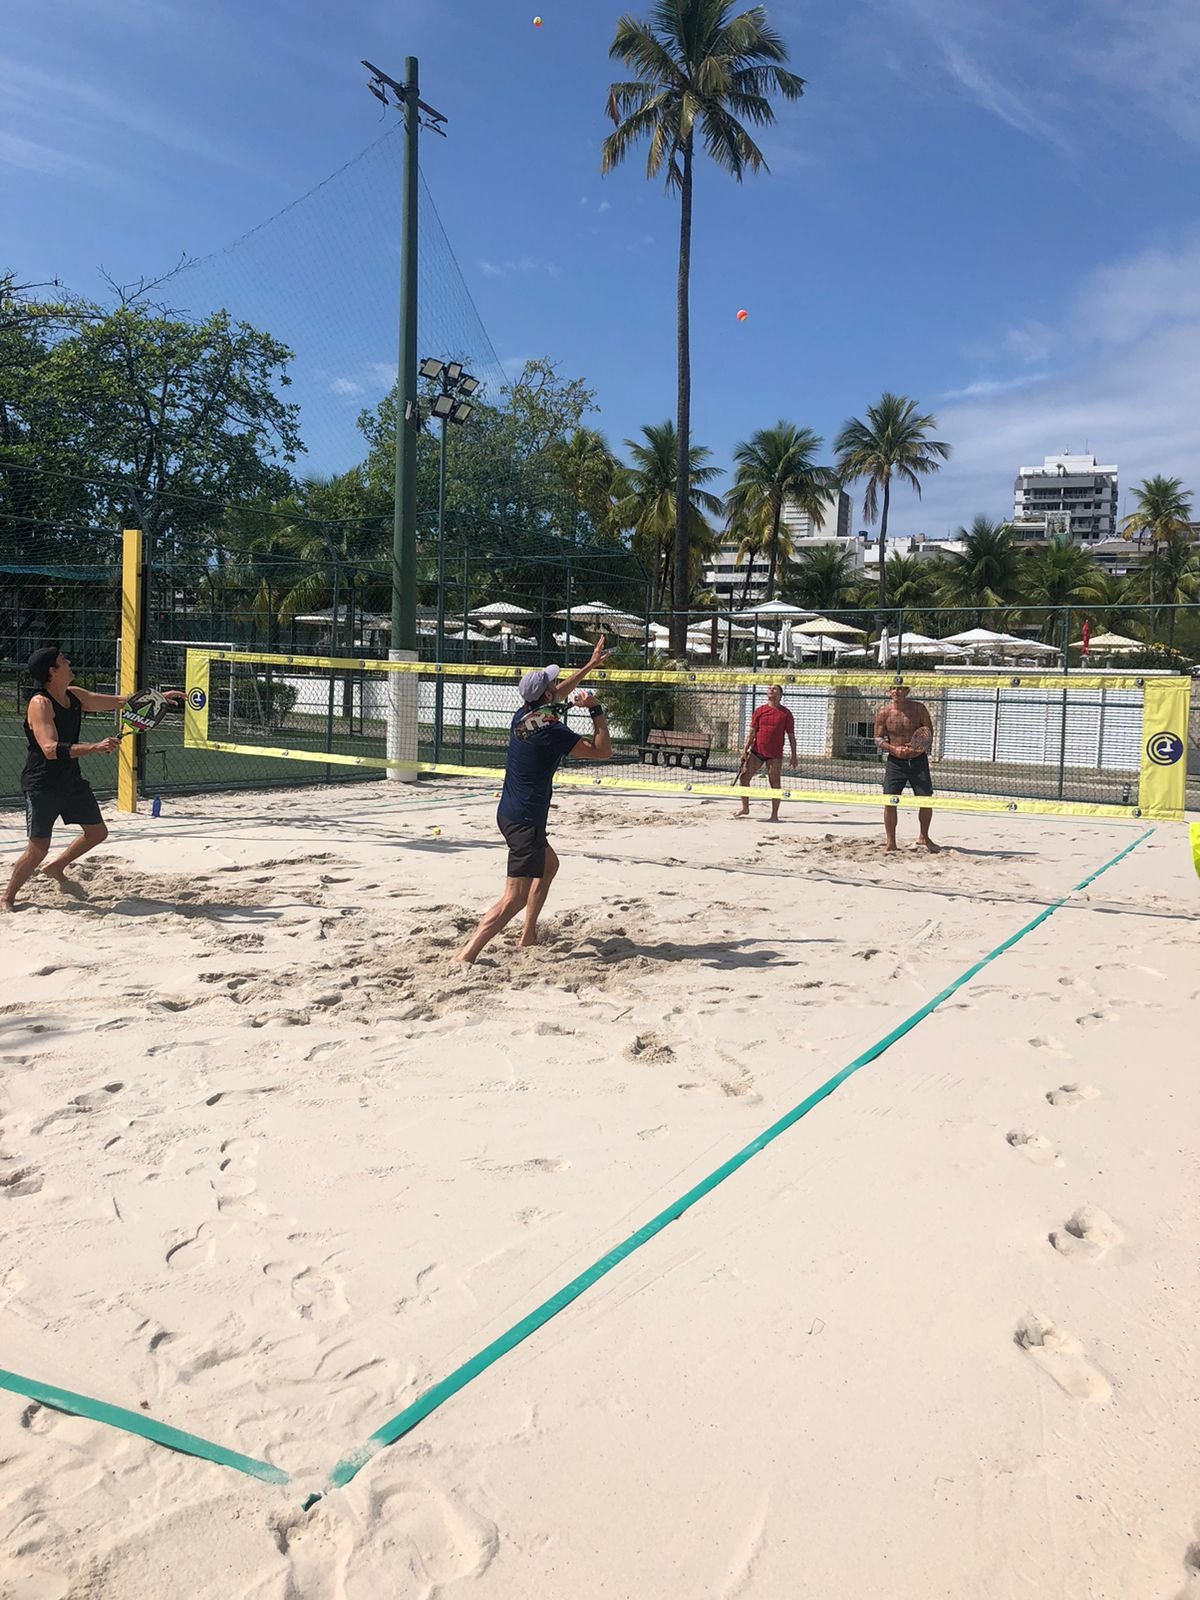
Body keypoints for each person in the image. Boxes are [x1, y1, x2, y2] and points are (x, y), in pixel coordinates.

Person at [454, 635, 612, 965]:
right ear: (545, 694)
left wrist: (590, 665)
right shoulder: (551, 730)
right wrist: (595, 708)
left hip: (513, 812)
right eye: (552, 683)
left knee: (549, 866)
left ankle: (528, 936)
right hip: (524, 818)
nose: (557, 684)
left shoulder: (524, 716)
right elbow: (602, 751)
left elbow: (561, 693)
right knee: (514, 898)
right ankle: (466, 955)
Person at [2, 647, 184, 912]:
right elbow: (50, 749)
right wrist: (95, 747)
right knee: (37, 849)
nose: (69, 661)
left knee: (97, 832)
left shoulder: (73, 695)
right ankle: (7, 897)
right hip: (41, 784)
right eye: (63, 660)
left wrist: (157, 698)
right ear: (52, 672)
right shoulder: (39, 703)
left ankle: (56, 867)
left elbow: (118, 701)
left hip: (70, 780)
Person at [874, 683, 938, 853]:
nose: (897, 691)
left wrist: (916, 747)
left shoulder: (918, 709)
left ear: (907, 691)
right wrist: (894, 749)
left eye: (901, 688)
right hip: (895, 761)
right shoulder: (884, 712)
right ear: (889, 692)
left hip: (918, 760)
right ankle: (891, 842)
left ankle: (924, 837)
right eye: (894, 688)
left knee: (925, 799)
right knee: (889, 800)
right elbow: (878, 739)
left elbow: (928, 733)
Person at [735, 684, 797, 822]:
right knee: (744, 778)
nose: (771, 690)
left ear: (780, 694)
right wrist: (744, 750)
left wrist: (794, 755)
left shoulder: (786, 713)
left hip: (775, 754)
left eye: (774, 688)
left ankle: (774, 815)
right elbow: (752, 733)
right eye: (769, 688)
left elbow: (791, 736)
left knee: (775, 784)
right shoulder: (760, 710)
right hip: (757, 751)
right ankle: (745, 808)